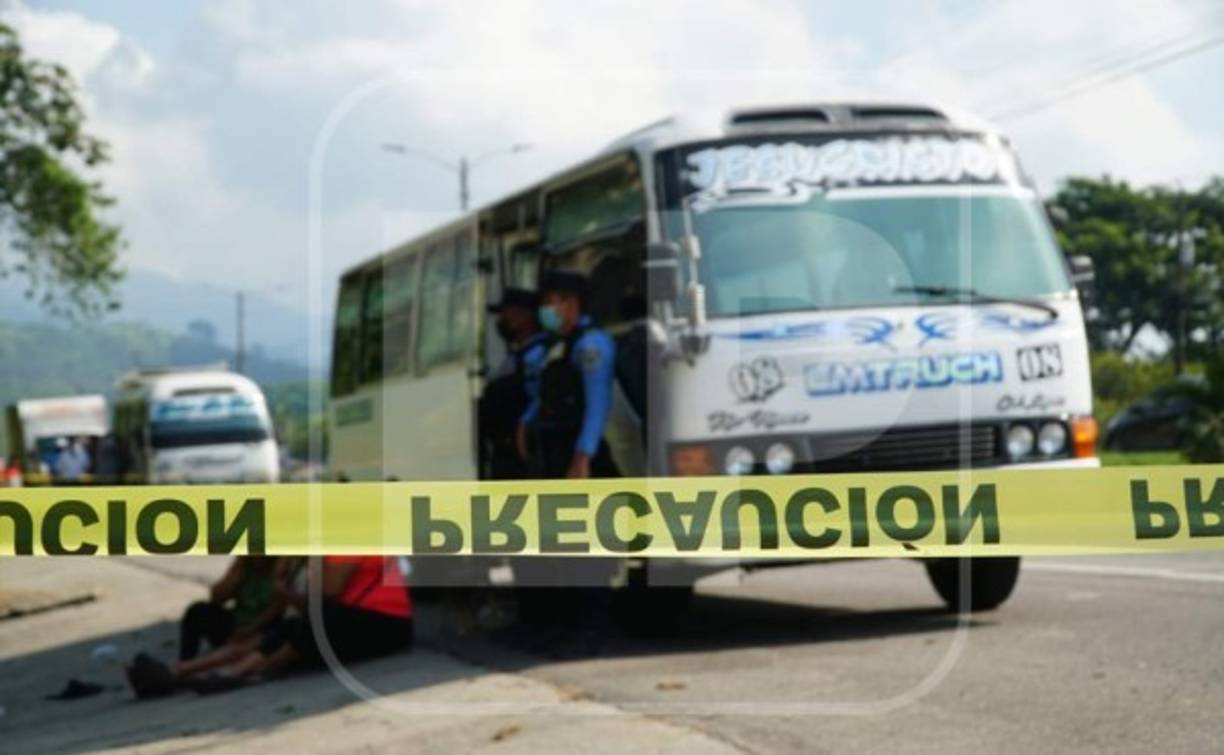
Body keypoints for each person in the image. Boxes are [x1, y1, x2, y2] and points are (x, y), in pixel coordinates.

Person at [514, 270, 619, 657]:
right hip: (553, 456)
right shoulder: (559, 346)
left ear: (571, 303)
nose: (546, 310)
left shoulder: (592, 345)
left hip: (579, 459)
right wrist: (526, 424)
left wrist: (582, 457)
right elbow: (544, 396)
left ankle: (594, 631)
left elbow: (597, 404)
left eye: (551, 302)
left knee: (587, 551)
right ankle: (562, 627)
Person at [127, 556, 413, 697]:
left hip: (387, 625)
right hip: (340, 619)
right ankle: (184, 671)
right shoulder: (264, 559)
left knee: (312, 619)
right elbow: (217, 596)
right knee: (290, 626)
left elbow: (323, 594)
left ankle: (247, 671)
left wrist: (293, 576)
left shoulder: (345, 544)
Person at [479, 287, 550, 480]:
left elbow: (539, 400)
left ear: (525, 317)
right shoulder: (517, 356)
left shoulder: (538, 355)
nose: (502, 321)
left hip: (524, 457)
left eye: (508, 314)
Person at [178, 556, 281, 661]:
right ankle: (185, 661)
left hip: (265, 627)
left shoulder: (280, 566)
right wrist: (236, 575)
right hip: (237, 623)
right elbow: (216, 598)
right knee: (197, 611)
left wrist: (250, 631)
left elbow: (277, 609)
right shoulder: (244, 564)